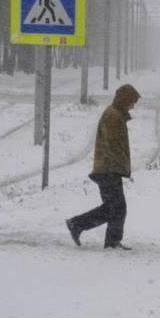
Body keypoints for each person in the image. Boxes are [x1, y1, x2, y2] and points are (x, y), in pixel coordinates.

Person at [67, 84, 141, 250]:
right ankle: (79, 225)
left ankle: (86, 229)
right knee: (117, 208)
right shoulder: (112, 116)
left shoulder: (116, 115)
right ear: (124, 100)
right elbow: (112, 146)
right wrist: (117, 167)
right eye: (131, 102)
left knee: (114, 208)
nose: (133, 106)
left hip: (110, 169)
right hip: (108, 170)